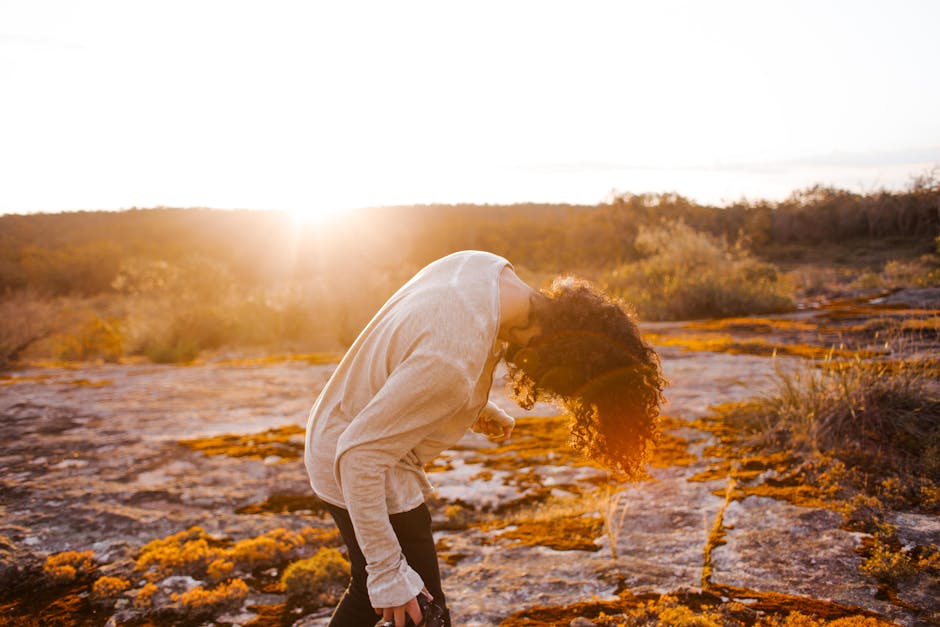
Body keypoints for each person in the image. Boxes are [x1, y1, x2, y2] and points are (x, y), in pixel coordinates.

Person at [304, 250, 665, 627]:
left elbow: (423, 342)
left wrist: (472, 405)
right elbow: (359, 456)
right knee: (419, 610)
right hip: (355, 463)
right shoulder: (452, 363)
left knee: (382, 595)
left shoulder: (484, 267)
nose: (527, 370)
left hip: (335, 423)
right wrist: (386, 572)